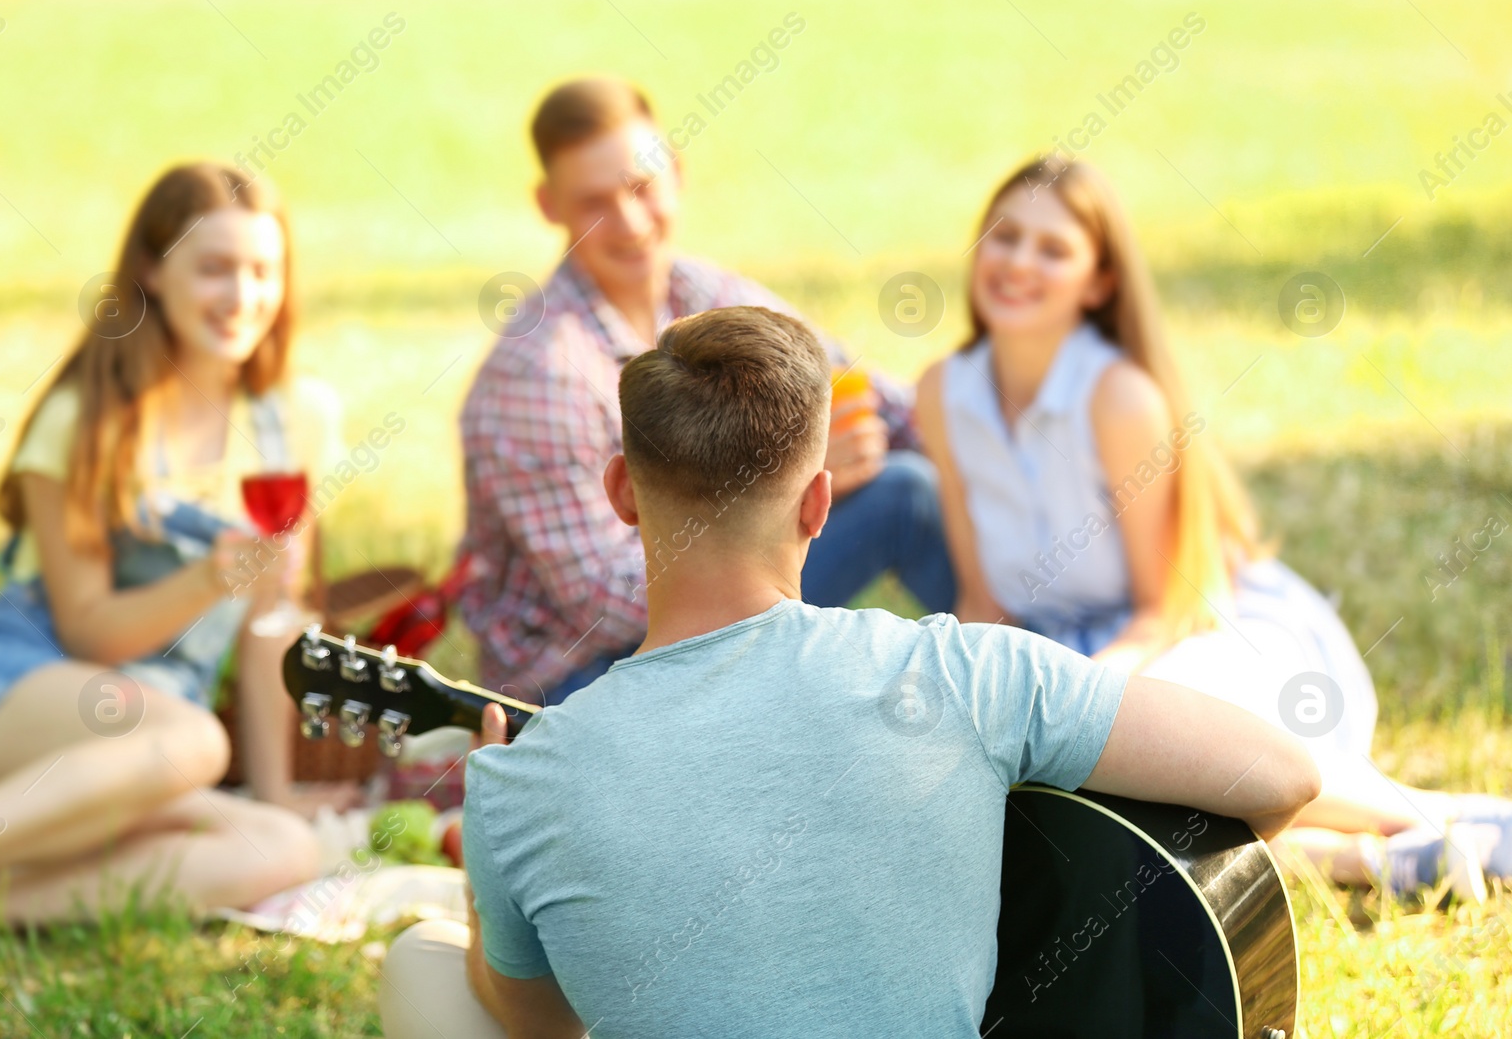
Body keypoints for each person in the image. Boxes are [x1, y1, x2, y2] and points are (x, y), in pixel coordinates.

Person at [378, 304, 1321, 1038]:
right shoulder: (963, 671)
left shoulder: (516, 783)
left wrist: (491, 851)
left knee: (422, 958)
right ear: (820, 502)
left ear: (623, 491)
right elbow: (1284, 776)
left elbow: (545, 1025)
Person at [915, 153, 1511, 896]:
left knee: (1156, 759)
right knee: (1069, 814)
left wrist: (1087, 699)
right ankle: (1379, 862)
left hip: (1192, 634)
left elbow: (1168, 602)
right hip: (1062, 650)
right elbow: (983, 600)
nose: (1018, 263)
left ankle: (1453, 817)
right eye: (1005, 237)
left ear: (1099, 281)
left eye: (1054, 248)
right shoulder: (943, 393)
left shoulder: (1119, 398)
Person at [0, 163, 352, 924]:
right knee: (194, 743)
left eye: (262, 270)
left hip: (156, 742)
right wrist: (207, 580)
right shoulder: (88, 418)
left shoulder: (296, 419)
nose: (242, 297)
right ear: (152, 268)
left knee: (282, 846)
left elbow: (267, 629)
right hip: (25, 685)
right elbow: (88, 628)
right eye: (214, 269)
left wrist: (277, 790)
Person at [456, 77, 954, 706]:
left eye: (642, 187)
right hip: (584, 681)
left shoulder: (705, 295)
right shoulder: (538, 375)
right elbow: (606, 606)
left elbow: (873, 400)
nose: (631, 222)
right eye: (594, 203)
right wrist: (785, 483)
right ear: (549, 205)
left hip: (709, 604)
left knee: (911, 486)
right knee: (904, 495)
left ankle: (1048, 672)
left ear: (677, 172)